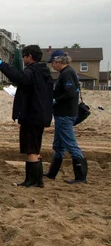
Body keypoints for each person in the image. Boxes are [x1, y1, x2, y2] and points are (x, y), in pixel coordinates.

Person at [0, 45, 53, 188]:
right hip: (41, 115)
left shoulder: (32, 71)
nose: (23, 59)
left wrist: (2, 65)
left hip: (31, 115)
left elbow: (19, 77)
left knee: (30, 148)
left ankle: (31, 181)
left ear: (29, 56)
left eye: (24, 56)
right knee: (36, 147)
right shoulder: (44, 72)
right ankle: (38, 180)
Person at [44, 50, 88, 184]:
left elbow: (70, 93)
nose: (52, 65)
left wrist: (55, 101)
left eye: (52, 62)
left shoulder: (67, 73)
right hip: (63, 114)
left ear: (58, 61)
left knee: (70, 144)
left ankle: (81, 177)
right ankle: (52, 173)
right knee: (59, 145)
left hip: (65, 114)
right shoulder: (67, 72)